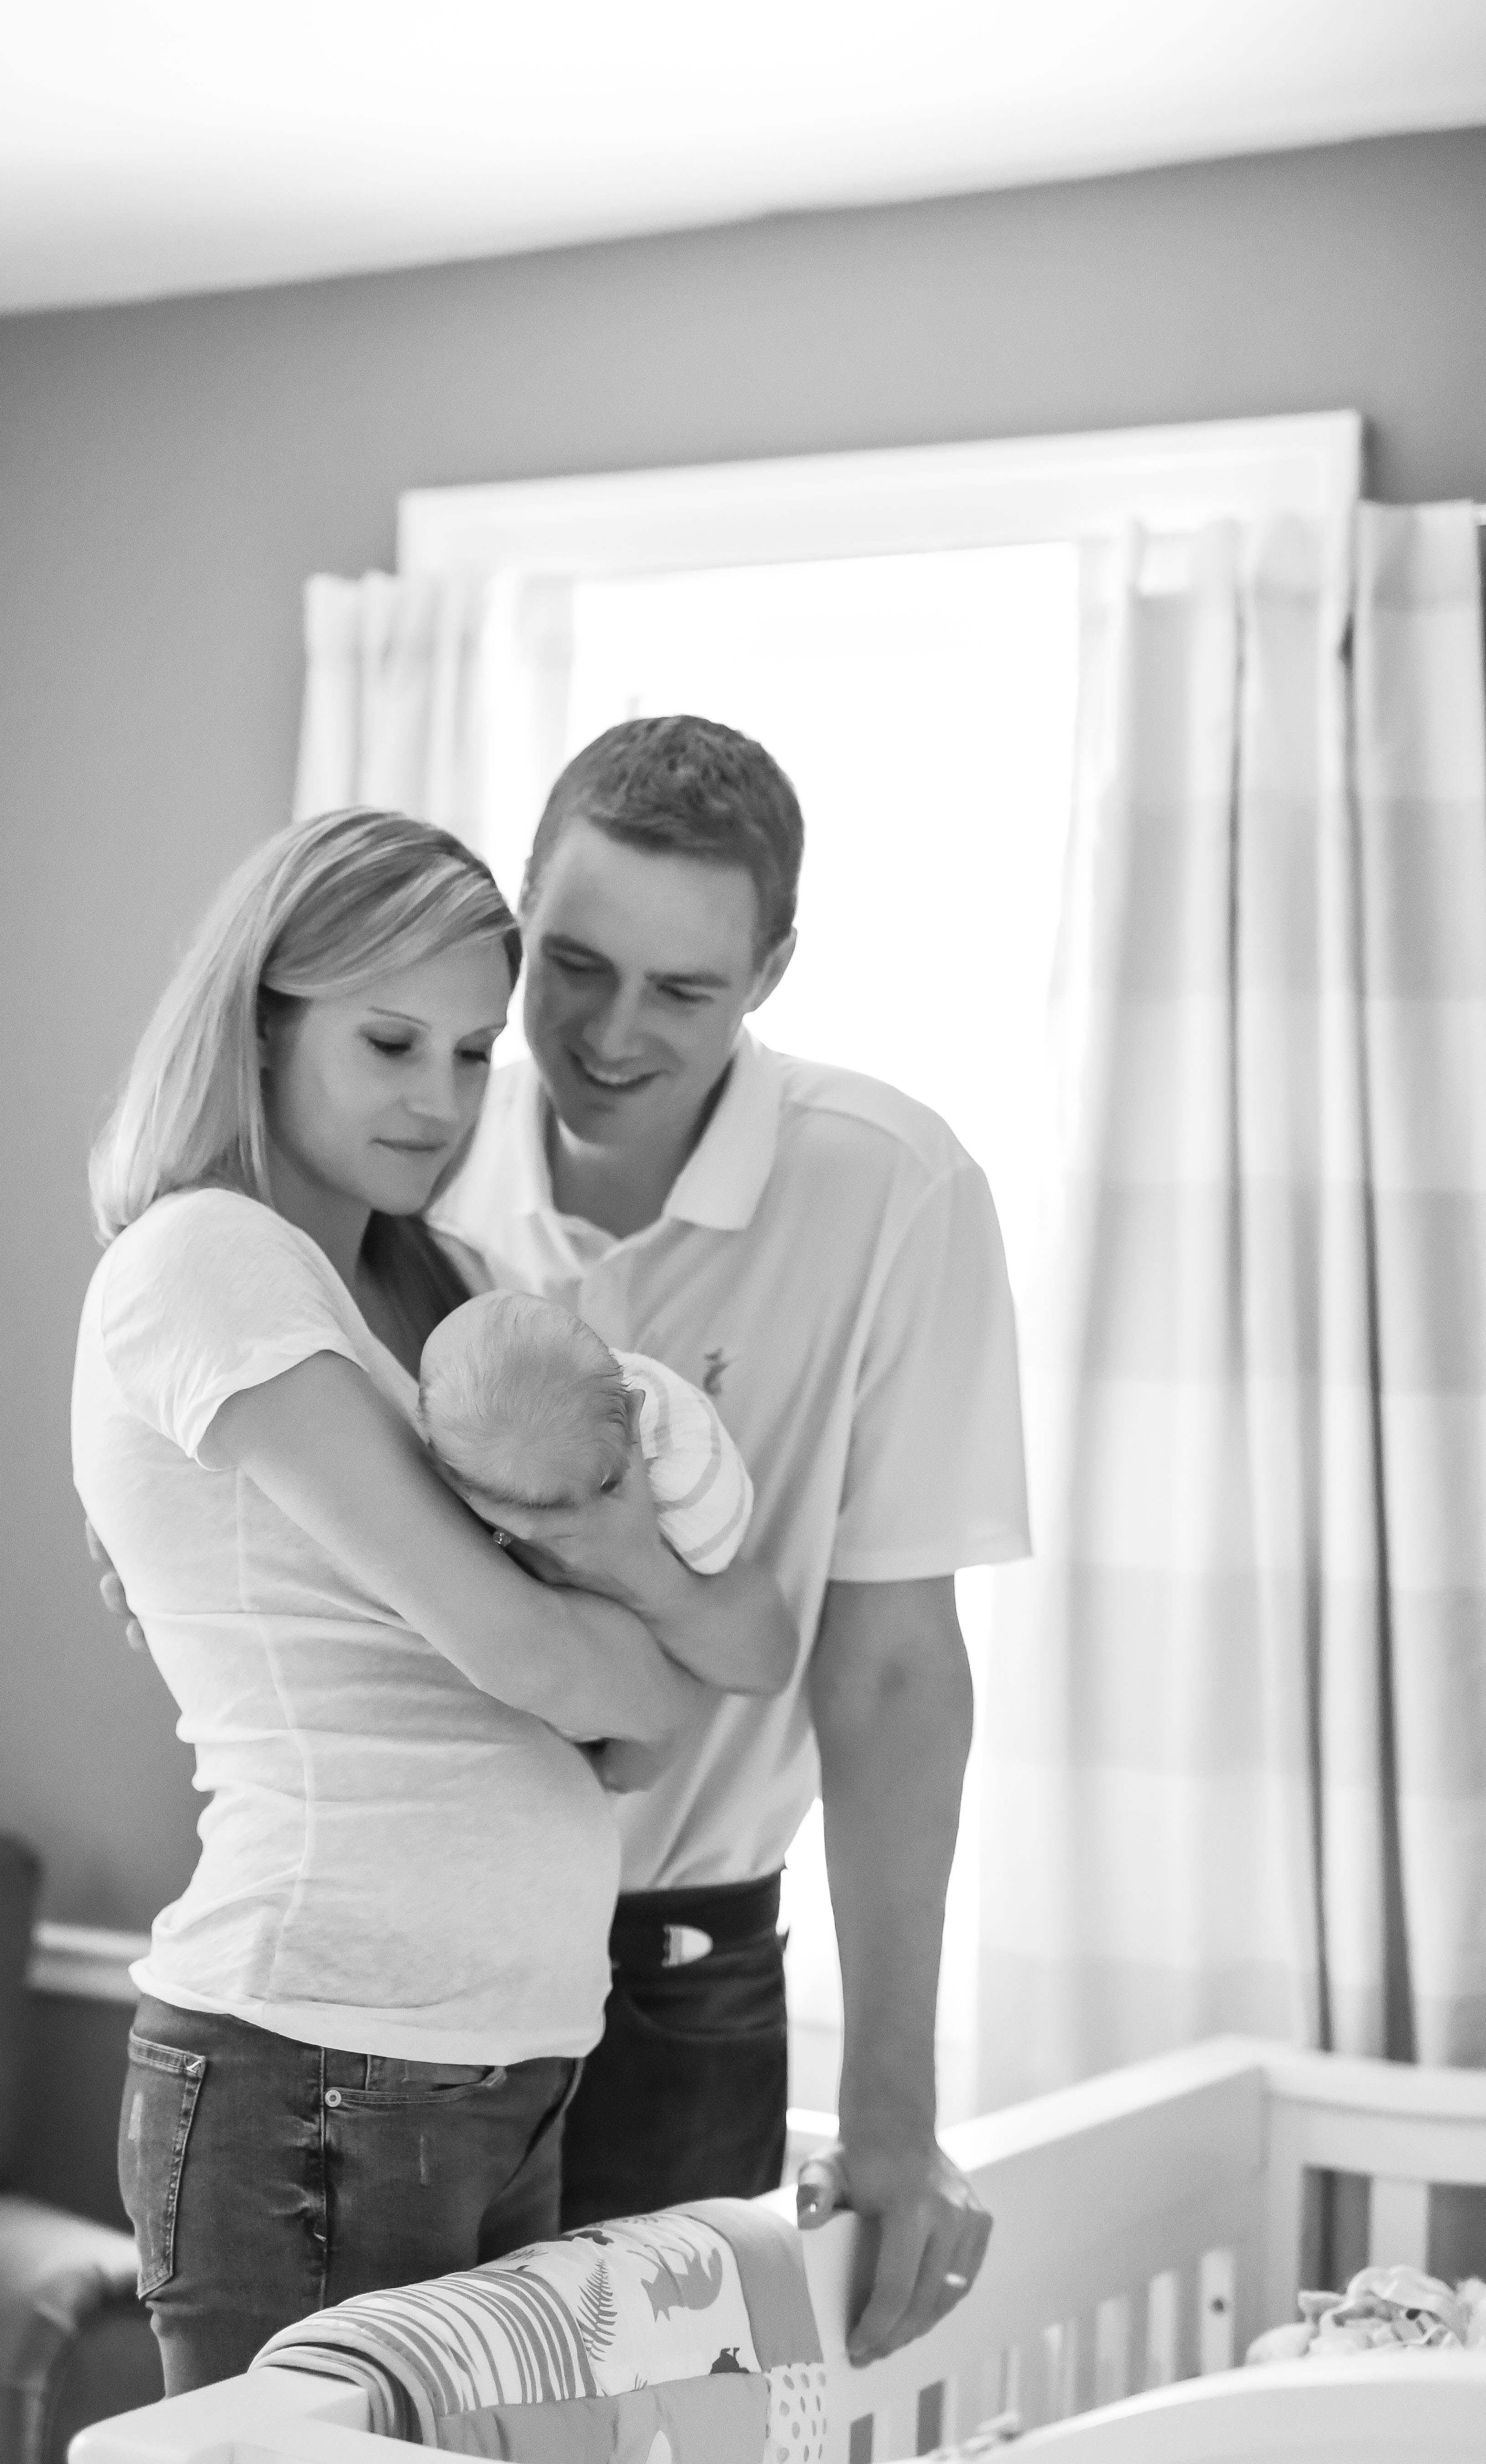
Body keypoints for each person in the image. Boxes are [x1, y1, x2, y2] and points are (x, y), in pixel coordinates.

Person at [71, 806, 794, 2392]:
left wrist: (611, 1661)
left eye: (473, 1054)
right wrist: (607, 1657)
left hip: (507, 2056)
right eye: (390, 1040)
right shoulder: (209, 1260)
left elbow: (646, 1723)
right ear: (261, 1021)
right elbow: (522, 1646)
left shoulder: (451, 1297)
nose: (438, 1098)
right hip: (316, 2057)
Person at [429, 716, 1033, 2366]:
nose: (608, 1035)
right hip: (392, 1940)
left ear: (772, 967)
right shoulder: (402, 1136)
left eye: (684, 991)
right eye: (571, 963)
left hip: (678, 1967)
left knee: (651, 2428)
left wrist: (897, 2107)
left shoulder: (892, 1186)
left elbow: (893, 1663)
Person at [418, 1290, 759, 1577]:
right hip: (716, 1538)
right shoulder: (598, 1387)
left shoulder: (654, 1425)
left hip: (700, 1517)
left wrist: (498, 1540)